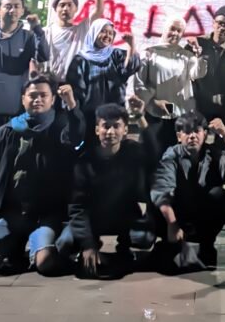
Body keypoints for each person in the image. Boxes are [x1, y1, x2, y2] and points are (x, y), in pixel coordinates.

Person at [0, 74, 85, 276]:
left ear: (53, 100)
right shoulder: (5, 132)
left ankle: (42, 252)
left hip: (45, 216)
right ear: (23, 99)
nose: (38, 99)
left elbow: (77, 139)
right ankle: (10, 253)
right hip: (10, 215)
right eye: (32, 95)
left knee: (46, 263)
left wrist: (72, 105)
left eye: (43, 95)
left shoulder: (60, 128)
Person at [57, 103, 154, 277]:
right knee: (65, 242)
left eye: (116, 126)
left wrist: (140, 117)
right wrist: (87, 244)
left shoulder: (132, 151)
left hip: (124, 216)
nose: (110, 132)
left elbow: (154, 150)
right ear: (97, 130)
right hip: (93, 218)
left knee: (144, 237)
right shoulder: (85, 161)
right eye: (105, 126)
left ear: (125, 130)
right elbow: (77, 206)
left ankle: (122, 251)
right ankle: (92, 249)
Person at [150, 111, 225, 269]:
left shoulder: (212, 152)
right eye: (187, 132)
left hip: (201, 213)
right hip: (177, 212)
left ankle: (206, 243)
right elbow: (162, 188)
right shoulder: (172, 154)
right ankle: (171, 243)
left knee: (220, 195)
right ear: (179, 136)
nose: (192, 136)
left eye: (196, 131)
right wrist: (172, 224)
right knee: (159, 202)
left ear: (204, 134)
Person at [129, 15, 208, 169]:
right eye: (173, 29)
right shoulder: (149, 54)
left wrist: (199, 56)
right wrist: (153, 102)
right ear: (165, 29)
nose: (175, 33)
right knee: (151, 155)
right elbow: (139, 84)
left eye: (179, 31)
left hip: (179, 116)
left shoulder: (186, 56)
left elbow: (197, 73)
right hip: (154, 115)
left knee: (176, 159)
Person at [0, 0, 49, 163]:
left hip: (16, 111)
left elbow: (44, 56)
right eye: (8, 6)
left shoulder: (28, 37)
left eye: (17, 6)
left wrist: (37, 29)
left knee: (7, 161)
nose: (12, 10)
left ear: (22, 11)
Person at [66, 19, 140, 132]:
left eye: (110, 33)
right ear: (94, 33)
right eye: (103, 31)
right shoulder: (80, 60)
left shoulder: (116, 55)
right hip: (90, 116)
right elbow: (77, 92)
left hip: (115, 114)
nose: (107, 36)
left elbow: (129, 68)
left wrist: (131, 45)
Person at [46, 0, 104, 80]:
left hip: (75, 85)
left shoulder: (82, 29)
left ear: (76, 8)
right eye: (62, 5)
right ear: (55, 8)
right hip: (51, 85)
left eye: (69, 5)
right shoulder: (47, 32)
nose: (65, 8)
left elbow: (99, 10)